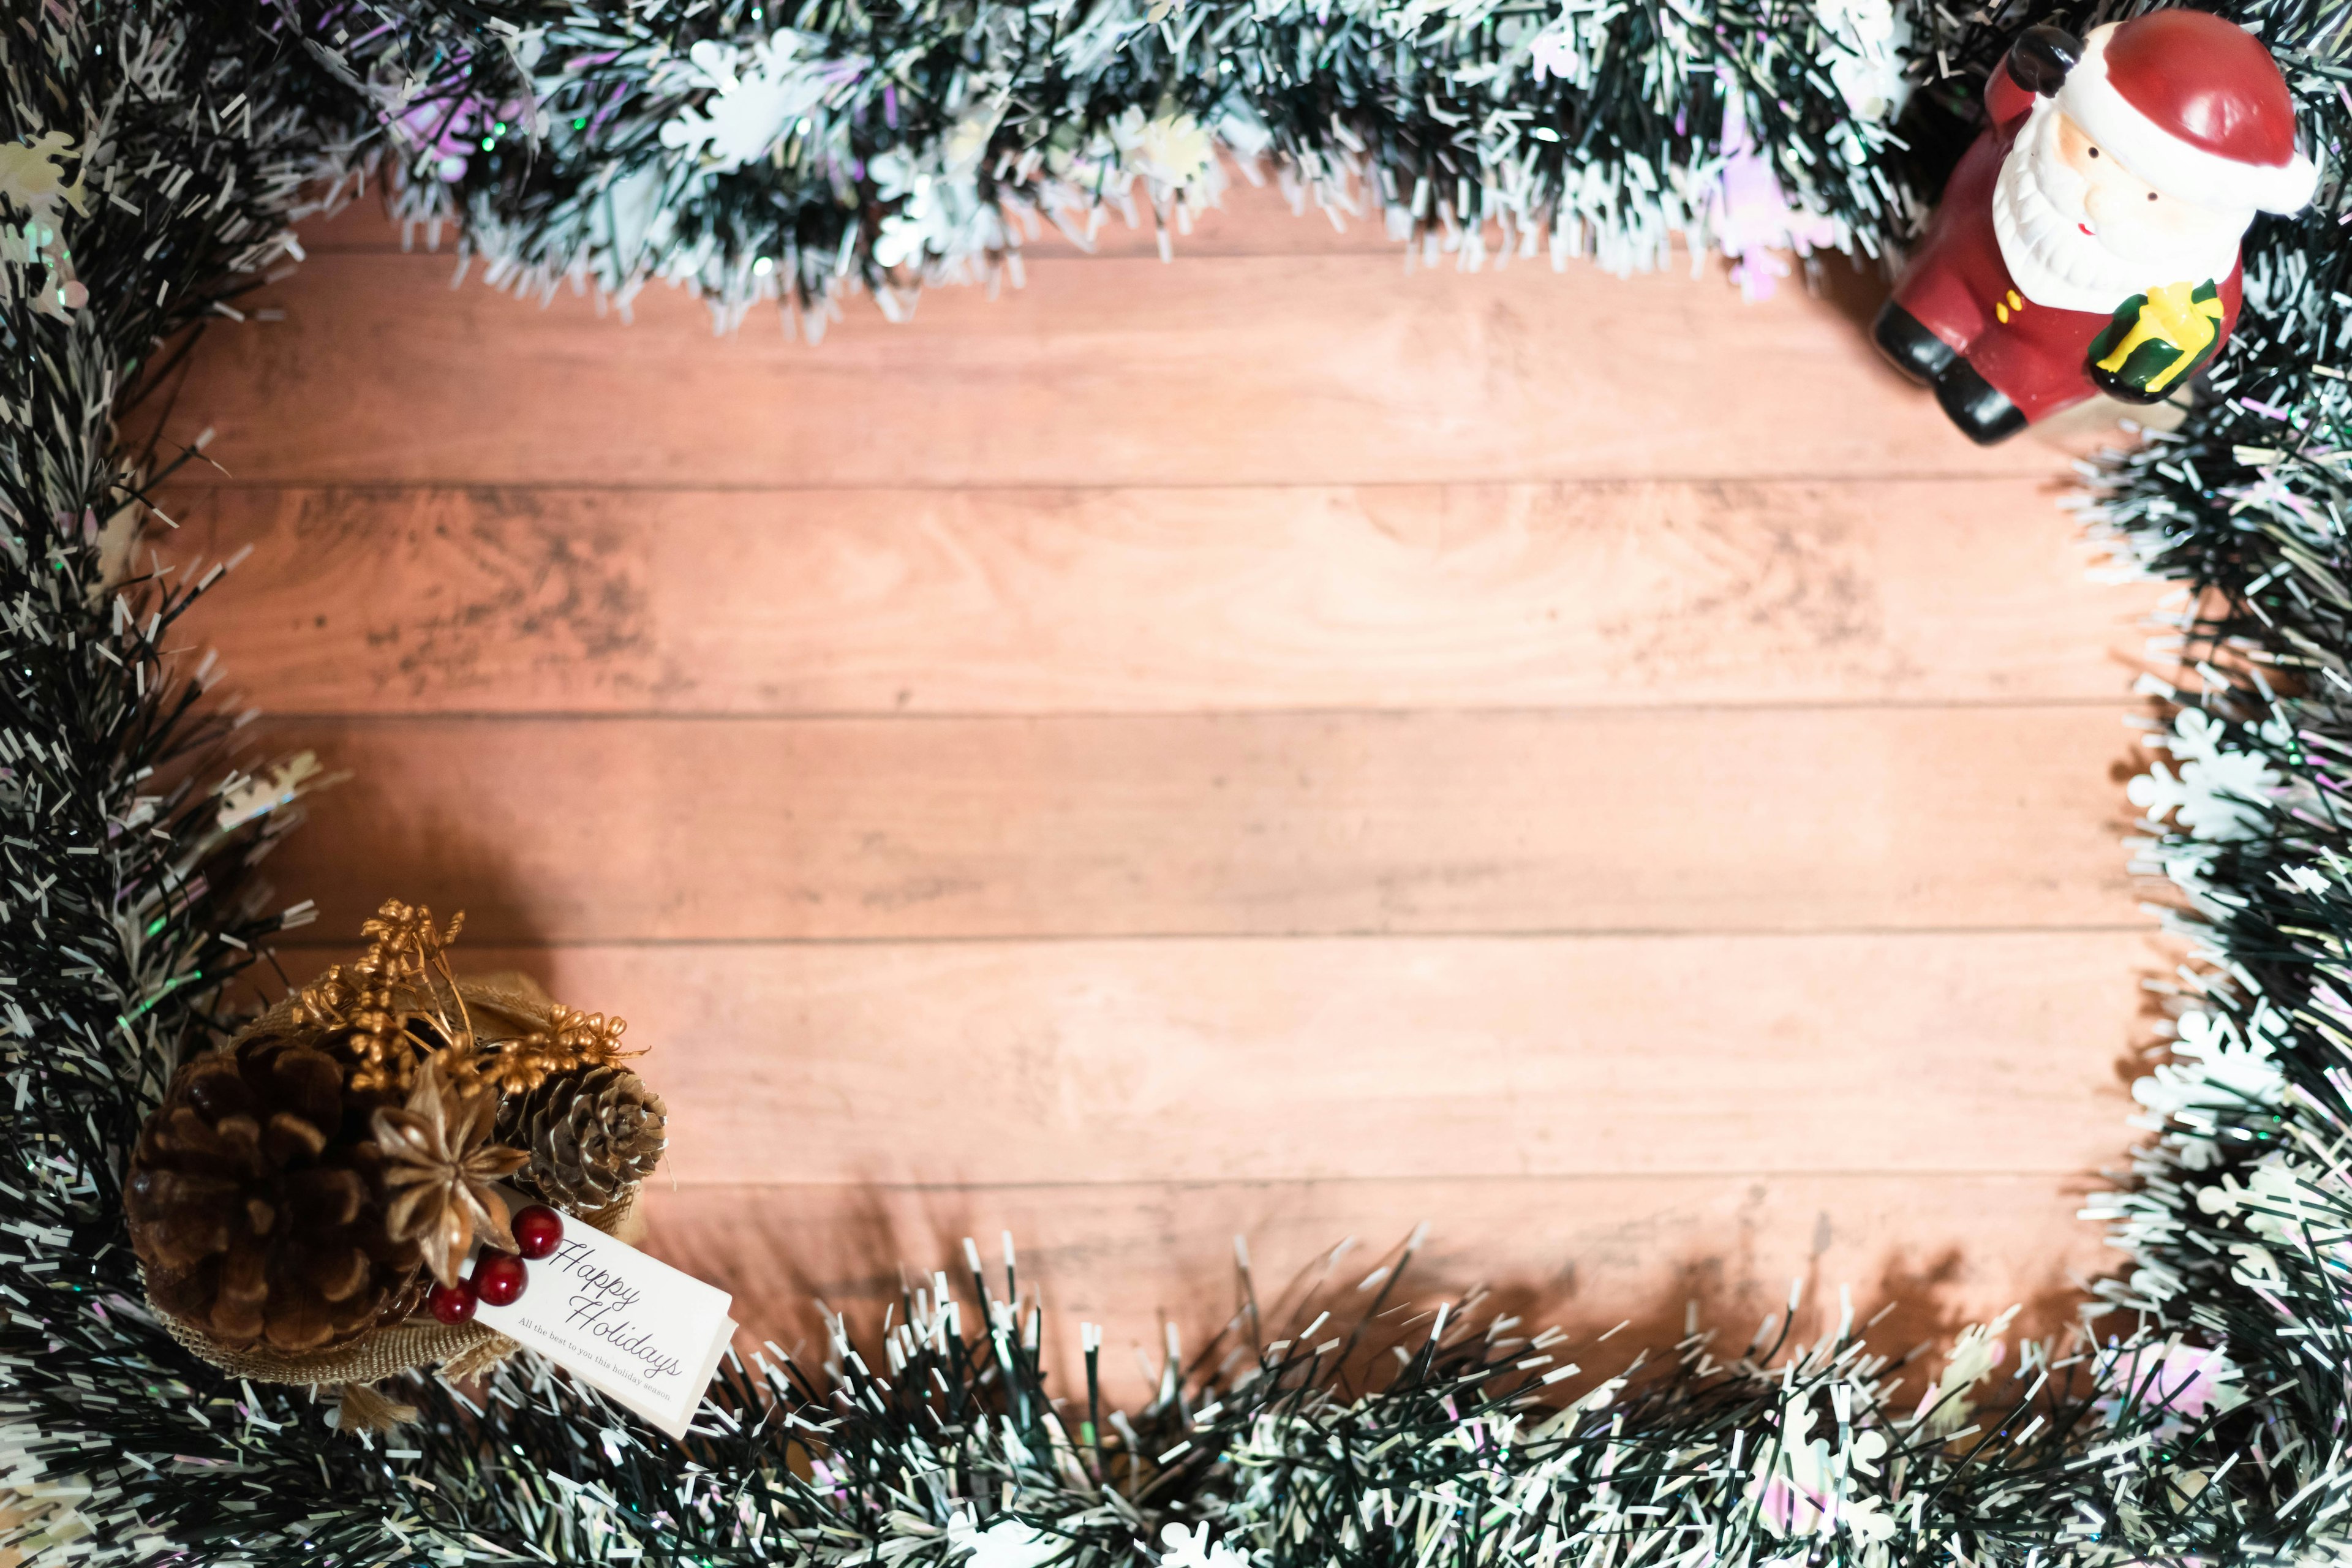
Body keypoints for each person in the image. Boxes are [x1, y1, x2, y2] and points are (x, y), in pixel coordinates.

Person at [1873, 10, 2316, 443]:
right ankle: (1931, 316)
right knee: (1908, 335)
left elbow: (2205, 331)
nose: (2101, 203)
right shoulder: (2036, 137)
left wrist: (2144, 376)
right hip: (1959, 267)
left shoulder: (2200, 273)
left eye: (2153, 197)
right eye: (2091, 157)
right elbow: (2005, 104)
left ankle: (2007, 385)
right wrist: (2021, 65)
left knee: (1980, 402)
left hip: (2042, 360)